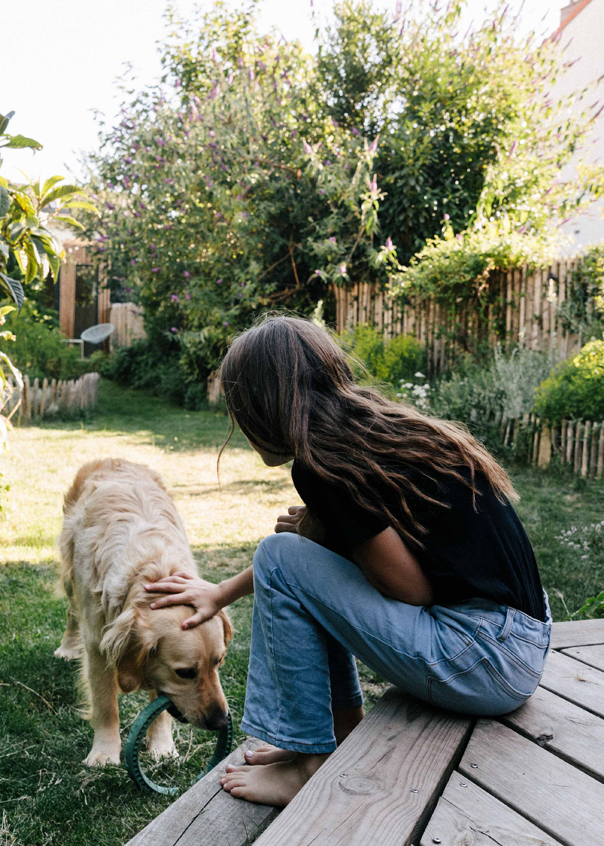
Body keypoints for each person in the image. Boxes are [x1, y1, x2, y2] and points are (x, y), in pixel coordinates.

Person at [144, 316, 550, 807]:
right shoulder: (371, 431)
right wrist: (227, 590)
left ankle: (310, 762)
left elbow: (410, 589)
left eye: (238, 408)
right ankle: (336, 733)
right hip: (519, 644)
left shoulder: (324, 465)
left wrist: (320, 537)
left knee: (280, 553)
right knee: (291, 559)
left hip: (482, 661)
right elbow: (324, 573)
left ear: (262, 406)